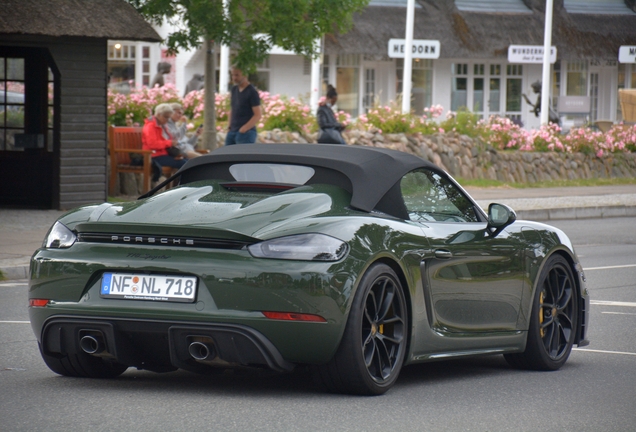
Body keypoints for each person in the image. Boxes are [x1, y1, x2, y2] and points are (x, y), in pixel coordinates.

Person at [142, 103, 187, 183]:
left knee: (187, 162)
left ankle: (183, 186)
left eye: (168, 117)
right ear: (159, 115)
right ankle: (183, 187)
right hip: (153, 156)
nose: (167, 120)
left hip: (162, 154)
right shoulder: (151, 126)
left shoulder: (162, 125)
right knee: (184, 164)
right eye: (166, 117)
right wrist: (169, 143)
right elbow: (153, 144)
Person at [226, 67, 262, 145]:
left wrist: (244, 129)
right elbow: (233, 109)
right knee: (226, 156)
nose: (234, 78)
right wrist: (229, 126)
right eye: (233, 75)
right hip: (232, 131)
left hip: (246, 133)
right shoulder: (234, 89)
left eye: (237, 75)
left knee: (242, 157)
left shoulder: (252, 92)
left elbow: (258, 115)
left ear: (245, 75)